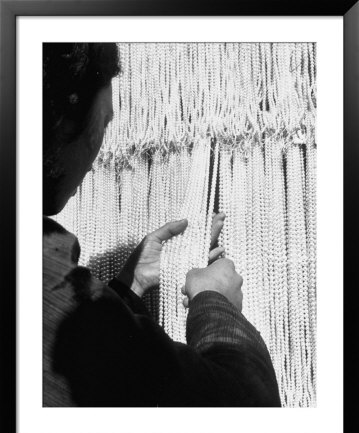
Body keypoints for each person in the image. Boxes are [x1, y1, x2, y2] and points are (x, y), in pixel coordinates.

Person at [43, 43, 281, 407]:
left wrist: (129, 286)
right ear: (62, 118)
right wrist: (215, 303)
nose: (94, 162)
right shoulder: (48, 295)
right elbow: (249, 410)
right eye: (104, 122)